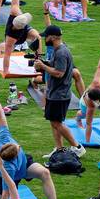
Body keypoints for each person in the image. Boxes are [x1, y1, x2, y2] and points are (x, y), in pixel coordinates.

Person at [0, 81, 60, 199]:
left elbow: (0, 115)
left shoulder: (4, 138)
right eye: (18, 147)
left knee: (45, 172)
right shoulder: (8, 167)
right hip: (10, 175)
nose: (19, 145)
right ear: (14, 155)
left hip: (24, 164)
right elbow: (5, 195)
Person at [33, 24, 81, 157]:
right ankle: (59, 148)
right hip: (56, 92)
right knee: (54, 122)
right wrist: (44, 64)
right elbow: (56, 66)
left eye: (47, 36)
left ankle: (77, 146)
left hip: (59, 94)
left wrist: (43, 66)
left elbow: (59, 73)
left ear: (53, 37)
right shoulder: (59, 49)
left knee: (56, 122)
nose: (45, 39)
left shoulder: (61, 52)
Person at [71, 40, 100, 147]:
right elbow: (89, 124)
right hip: (85, 105)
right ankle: (78, 118)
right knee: (82, 115)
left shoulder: (96, 83)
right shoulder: (90, 104)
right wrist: (88, 142)